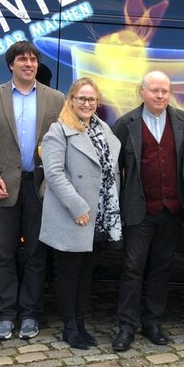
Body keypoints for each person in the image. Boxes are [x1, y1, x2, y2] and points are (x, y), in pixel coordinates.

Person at [0, 42, 64, 341]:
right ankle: (6, 313)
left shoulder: (55, 99)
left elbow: (61, 145)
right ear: (11, 65)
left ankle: (30, 313)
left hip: (40, 187)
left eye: (33, 59)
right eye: (22, 59)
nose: (28, 64)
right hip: (3, 186)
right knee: (3, 252)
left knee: (37, 254)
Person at [111, 70, 184, 352]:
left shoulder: (183, 121)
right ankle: (126, 325)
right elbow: (114, 169)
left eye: (165, 91)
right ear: (142, 91)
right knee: (132, 268)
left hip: (171, 209)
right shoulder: (125, 124)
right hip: (138, 210)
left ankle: (152, 322)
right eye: (154, 90)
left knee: (161, 267)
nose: (160, 96)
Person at [39, 77, 122, 349]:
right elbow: (53, 173)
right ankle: (70, 327)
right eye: (81, 98)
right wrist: (77, 207)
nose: (87, 103)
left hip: (98, 215)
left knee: (87, 273)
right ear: (71, 100)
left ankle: (81, 323)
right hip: (73, 214)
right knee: (68, 273)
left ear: (97, 103)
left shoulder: (103, 130)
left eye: (91, 99)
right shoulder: (59, 130)